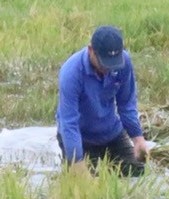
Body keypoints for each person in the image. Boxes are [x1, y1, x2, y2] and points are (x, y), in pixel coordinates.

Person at [56, 25, 148, 176]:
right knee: (85, 184)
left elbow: (126, 104)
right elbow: (69, 122)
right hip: (79, 136)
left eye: (114, 63)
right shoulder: (71, 73)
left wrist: (138, 139)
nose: (108, 69)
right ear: (91, 50)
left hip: (110, 132)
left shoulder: (124, 62)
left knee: (136, 172)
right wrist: (77, 162)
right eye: (104, 62)